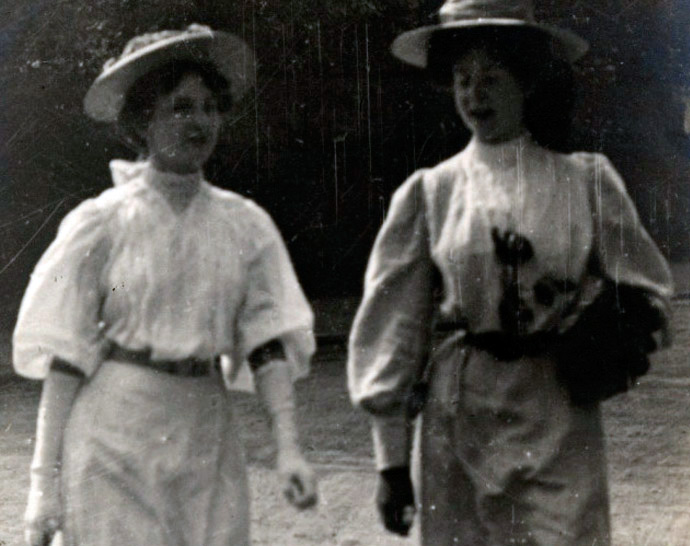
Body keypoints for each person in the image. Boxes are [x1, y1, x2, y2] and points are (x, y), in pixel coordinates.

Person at [347, 1, 674, 544]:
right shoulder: (433, 192)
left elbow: (649, 288)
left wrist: (617, 324)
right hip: (461, 412)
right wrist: (391, 465)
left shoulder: (584, 181)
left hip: (558, 407)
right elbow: (393, 329)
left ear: (526, 84)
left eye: (492, 78)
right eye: (462, 79)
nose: (475, 95)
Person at [15, 24, 317, 546]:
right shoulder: (101, 222)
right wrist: (42, 487)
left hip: (206, 435)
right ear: (143, 122)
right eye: (180, 106)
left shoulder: (244, 225)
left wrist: (288, 447)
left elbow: (266, 339)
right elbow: (65, 357)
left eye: (209, 106)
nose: (199, 120)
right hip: (114, 440)